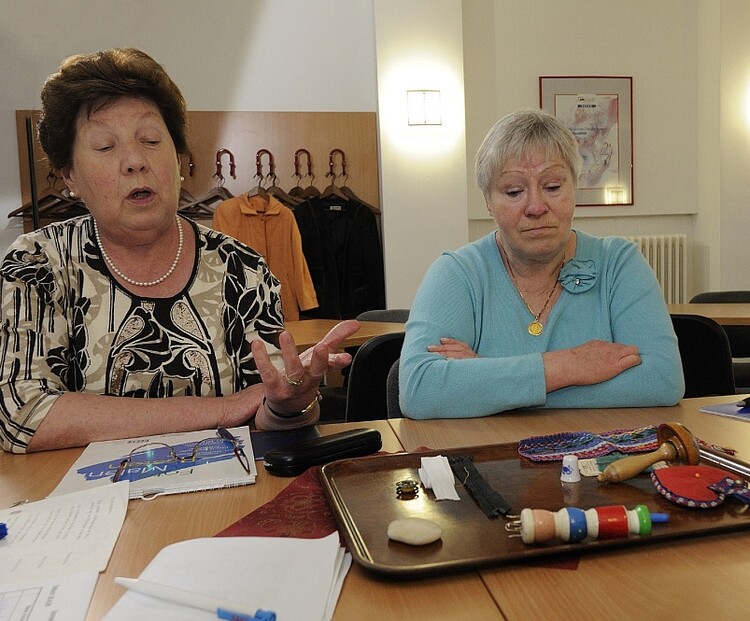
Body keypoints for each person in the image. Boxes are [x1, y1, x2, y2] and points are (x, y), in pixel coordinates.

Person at [0, 48, 359, 453]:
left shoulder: (241, 268)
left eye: (151, 140)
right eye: (104, 146)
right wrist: (222, 410)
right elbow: (21, 414)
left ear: (179, 159)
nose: (135, 161)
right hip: (84, 493)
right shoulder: (39, 263)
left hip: (226, 487)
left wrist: (291, 406)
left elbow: (267, 411)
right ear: (70, 176)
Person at [399, 109, 684, 419]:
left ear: (574, 189)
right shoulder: (457, 273)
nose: (536, 206)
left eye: (552, 187)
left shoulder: (619, 264)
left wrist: (486, 380)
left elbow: (662, 380)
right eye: (514, 191)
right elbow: (420, 390)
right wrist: (568, 366)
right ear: (488, 202)